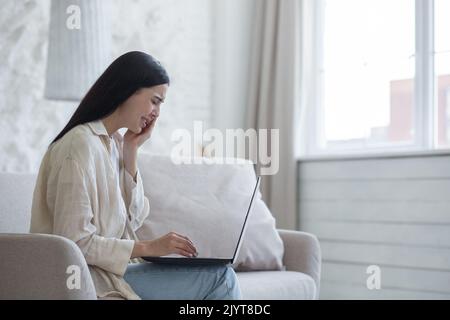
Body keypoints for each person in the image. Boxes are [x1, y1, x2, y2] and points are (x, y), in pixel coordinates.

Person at [30, 51, 242, 300]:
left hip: (114, 272)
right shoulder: (80, 146)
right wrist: (149, 247)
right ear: (128, 90)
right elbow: (74, 242)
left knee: (220, 273)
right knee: (221, 279)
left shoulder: (113, 145)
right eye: (155, 101)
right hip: (90, 278)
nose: (157, 113)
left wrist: (131, 151)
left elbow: (135, 219)